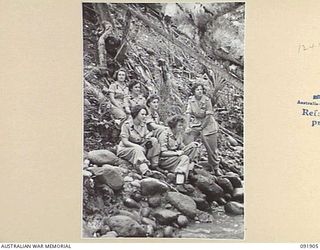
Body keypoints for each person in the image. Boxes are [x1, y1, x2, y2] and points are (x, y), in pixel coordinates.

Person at [185, 83, 222, 176]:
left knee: (211, 147)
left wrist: (202, 127)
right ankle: (189, 163)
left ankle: (215, 167)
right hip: (197, 123)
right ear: (194, 91)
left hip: (208, 125)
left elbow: (208, 116)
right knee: (188, 138)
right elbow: (188, 113)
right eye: (197, 90)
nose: (200, 91)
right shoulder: (191, 100)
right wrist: (187, 125)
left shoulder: (206, 100)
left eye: (201, 89)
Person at [117, 105, 160, 176]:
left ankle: (154, 165)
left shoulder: (143, 124)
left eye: (145, 114)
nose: (145, 116)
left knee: (154, 140)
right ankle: (145, 171)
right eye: (142, 114)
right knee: (137, 150)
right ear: (136, 114)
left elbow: (145, 136)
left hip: (140, 147)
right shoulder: (127, 124)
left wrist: (149, 135)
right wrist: (137, 146)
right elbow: (125, 142)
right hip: (126, 148)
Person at [158, 115, 199, 184]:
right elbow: (162, 153)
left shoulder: (178, 134)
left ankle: (189, 170)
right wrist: (176, 153)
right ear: (173, 125)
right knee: (184, 158)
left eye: (182, 125)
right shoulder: (165, 134)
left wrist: (191, 147)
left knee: (194, 146)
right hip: (166, 160)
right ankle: (179, 182)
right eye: (179, 125)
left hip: (175, 157)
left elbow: (182, 147)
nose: (181, 127)